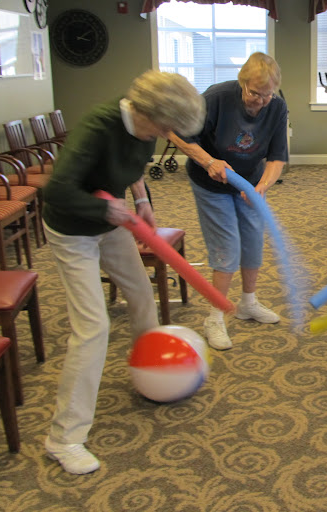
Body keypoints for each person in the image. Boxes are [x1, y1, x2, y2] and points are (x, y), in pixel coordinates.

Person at [42, 71, 206, 474]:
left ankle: (150, 369)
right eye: (166, 128)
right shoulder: (97, 127)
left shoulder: (146, 127)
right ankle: (64, 438)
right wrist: (106, 209)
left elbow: (133, 166)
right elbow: (56, 190)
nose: (167, 136)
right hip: (72, 230)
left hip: (110, 221)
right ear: (149, 113)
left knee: (141, 293)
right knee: (92, 327)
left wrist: (142, 199)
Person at [172, 52, 288, 350]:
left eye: (267, 95)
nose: (260, 101)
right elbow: (177, 133)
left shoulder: (276, 106)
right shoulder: (217, 98)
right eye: (254, 93)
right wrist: (209, 161)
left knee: (252, 241)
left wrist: (262, 187)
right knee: (227, 247)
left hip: (249, 182)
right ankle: (214, 317)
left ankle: (248, 303)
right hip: (211, 182)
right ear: (242, 83)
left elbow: (277, 157)